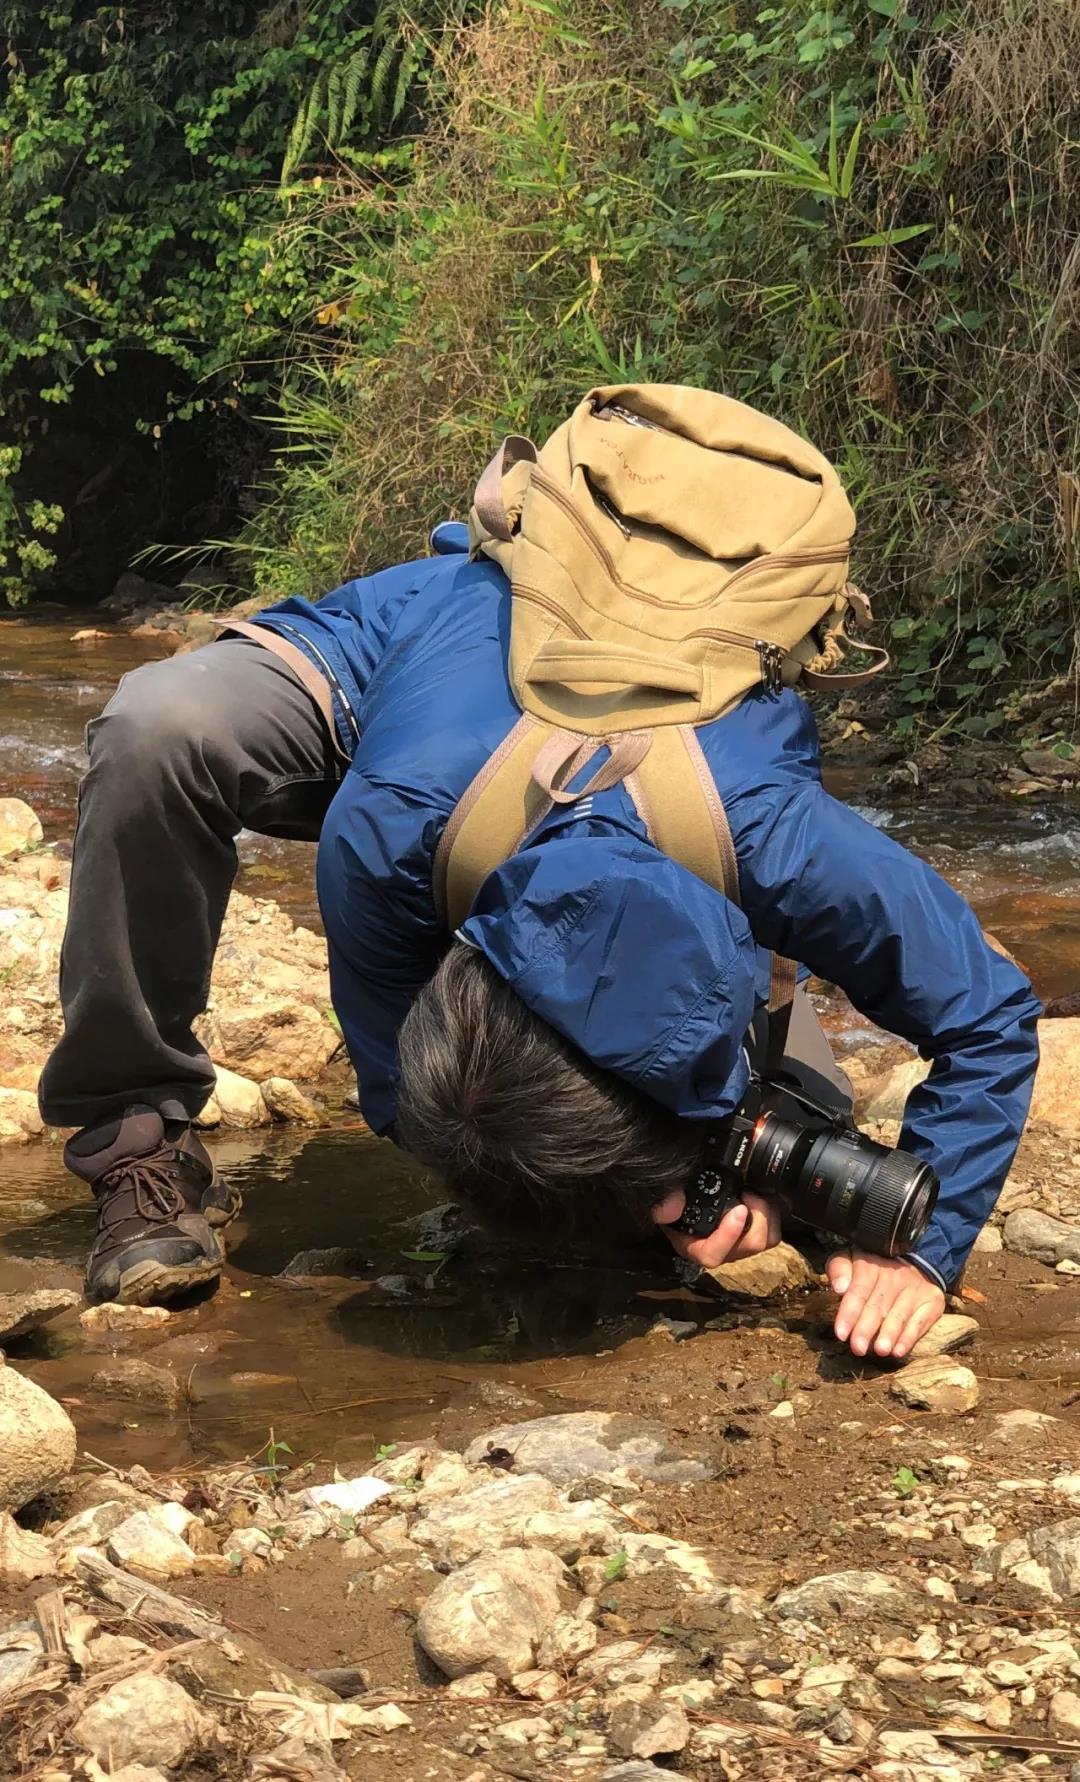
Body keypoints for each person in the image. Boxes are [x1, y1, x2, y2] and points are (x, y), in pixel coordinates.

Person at [39, 396, 1041, 1360]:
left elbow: (989, 1016)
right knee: (156, 727)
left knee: (783, 1141)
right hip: (415, 651)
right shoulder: (382, 839)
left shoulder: (776, 846)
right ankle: (135, 1136)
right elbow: (403, 1094)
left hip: (669, 722)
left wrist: (916, 1249)